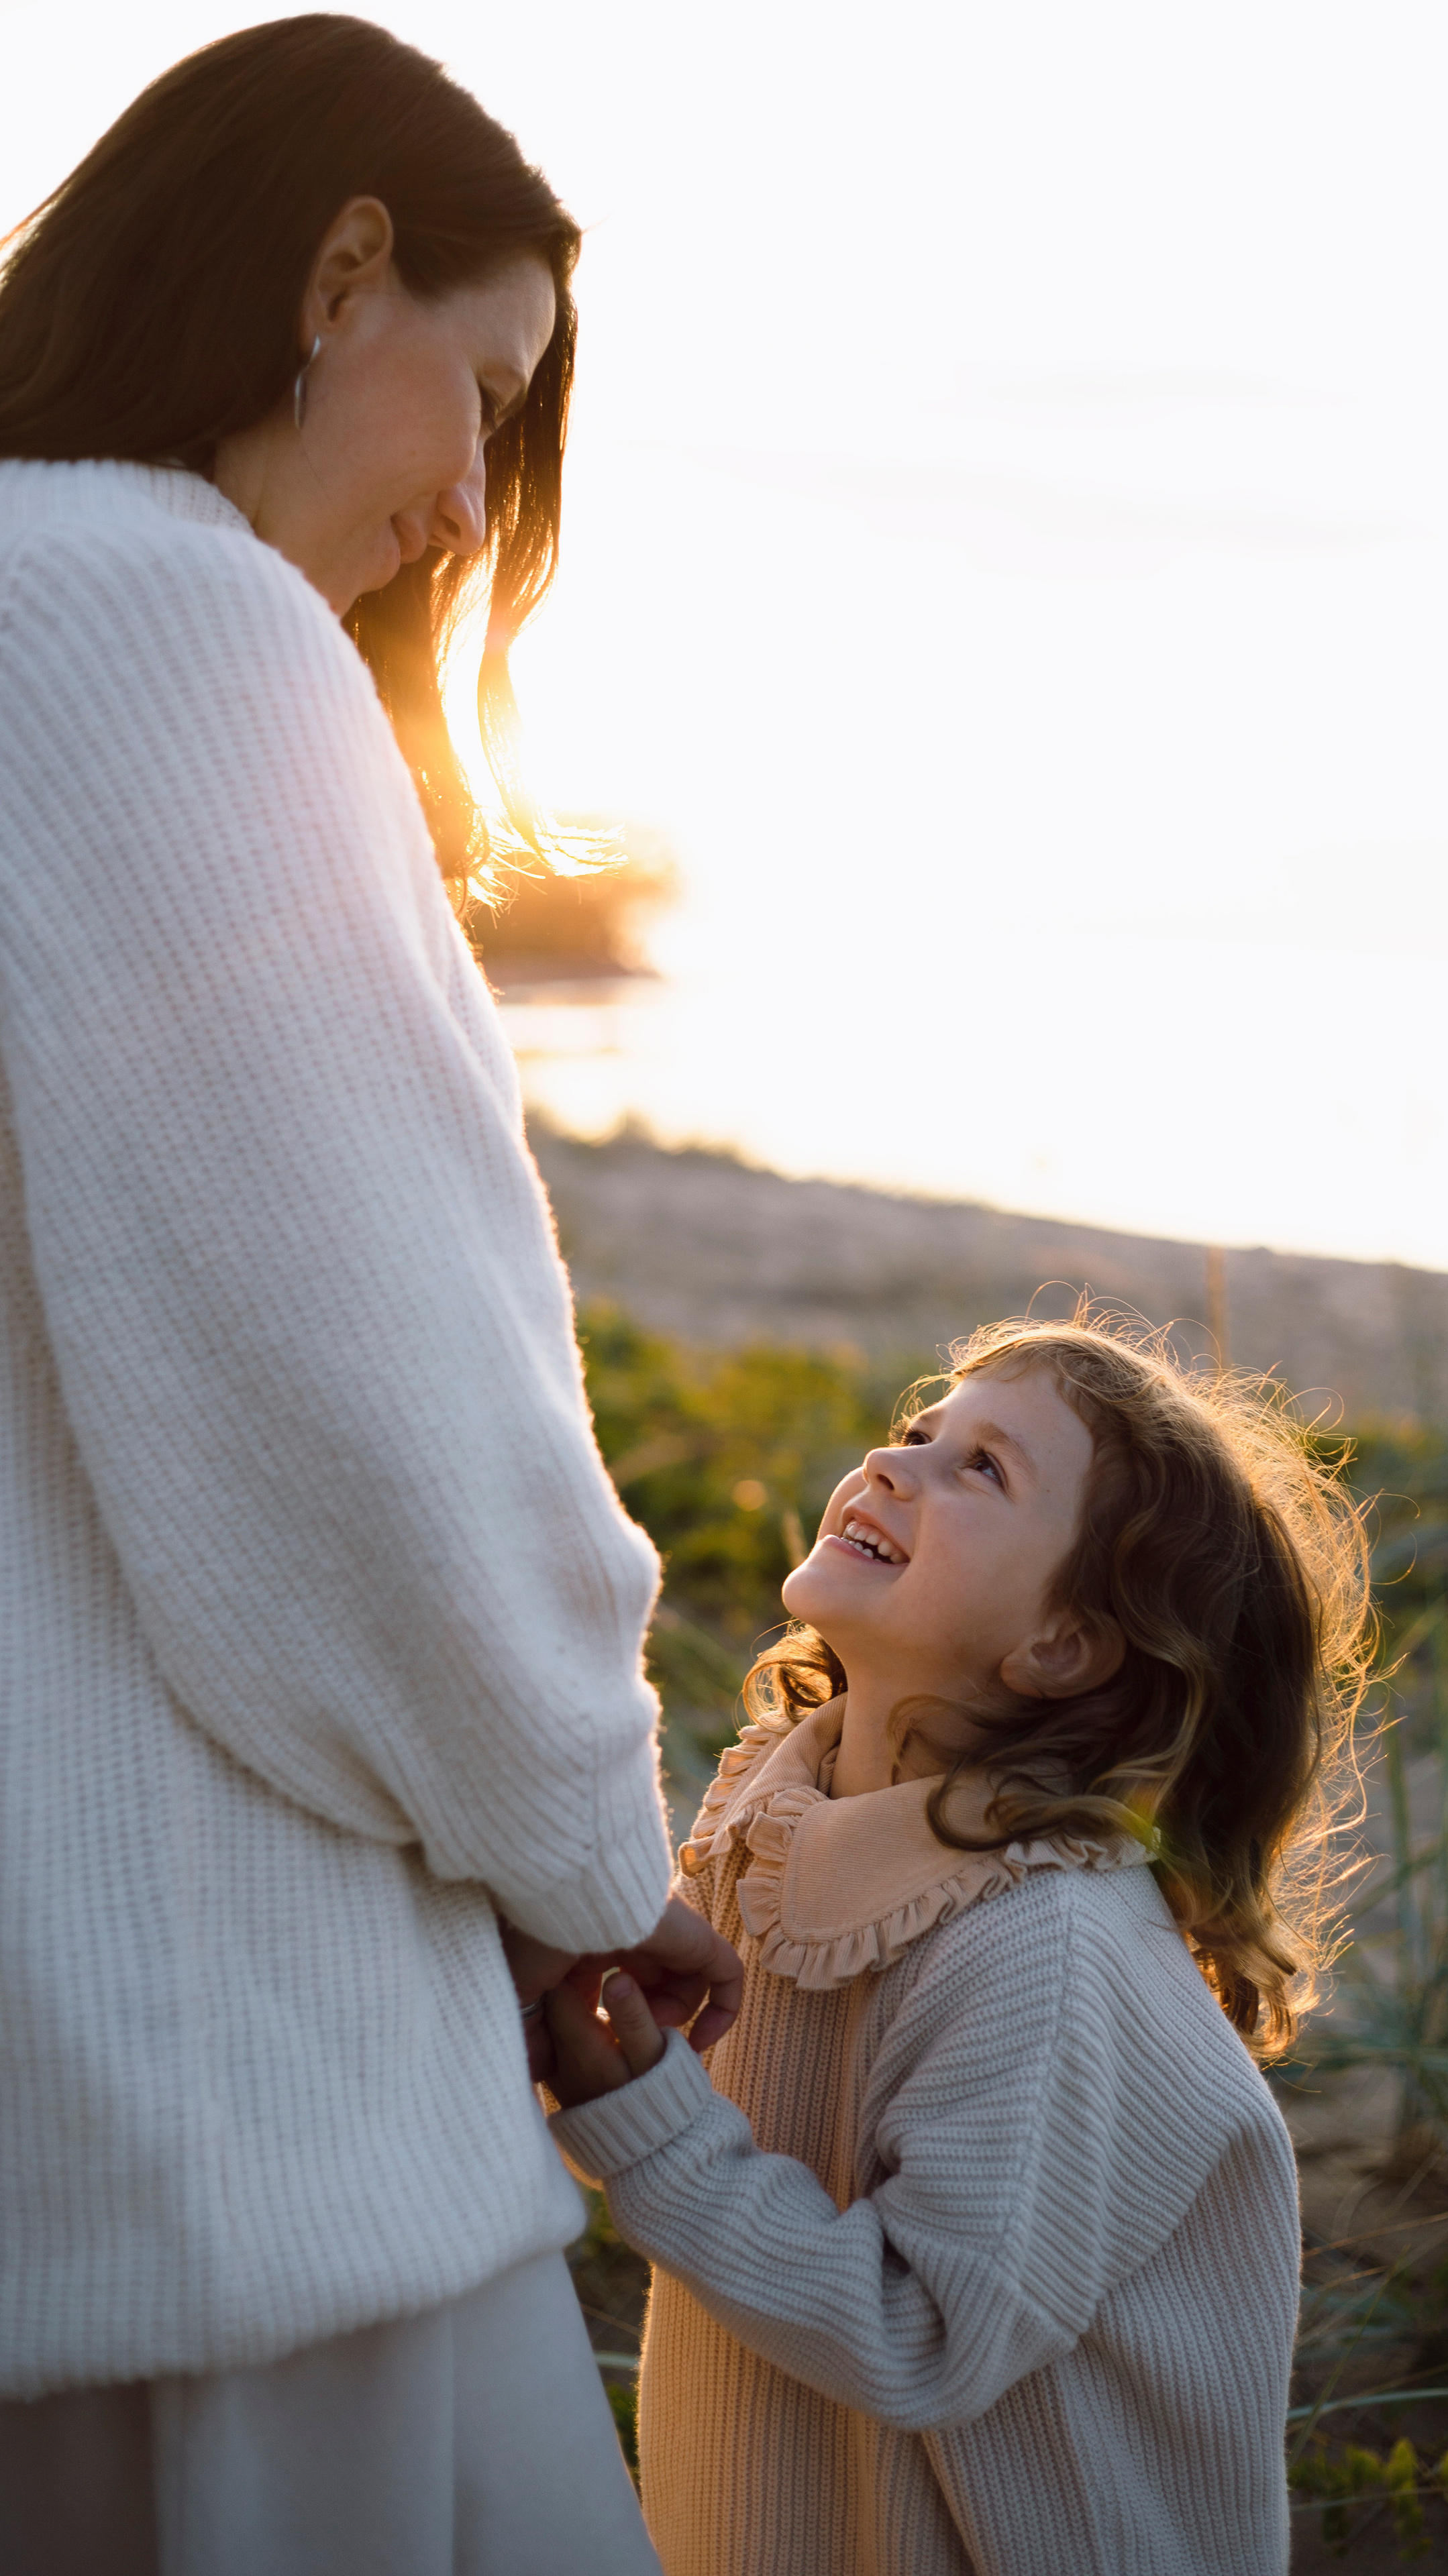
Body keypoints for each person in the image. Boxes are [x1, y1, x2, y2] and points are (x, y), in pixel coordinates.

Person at [0, 19, 737, 2572]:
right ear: (340, 275)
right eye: (489, 392)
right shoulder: (166, 621)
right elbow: (387, 1402)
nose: (468, 507)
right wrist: (586, 1856)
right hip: (205, 2084)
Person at [537, 1315, 1372, 2576]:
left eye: (981, 1467)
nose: (892, 1462)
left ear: (1063, 1644)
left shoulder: (1047, 1948)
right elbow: (690, 2116)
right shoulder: (780, 1805)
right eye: (916, 1431)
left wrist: (653, 2132)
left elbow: (929, 2334)